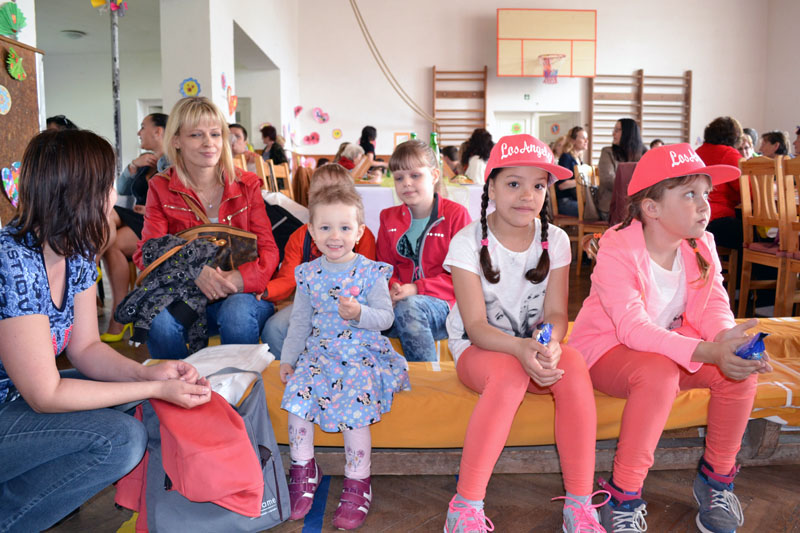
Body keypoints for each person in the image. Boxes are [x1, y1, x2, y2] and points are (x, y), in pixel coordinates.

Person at [0, 129, 211, 532]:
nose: (113, 195)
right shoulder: (12, 262)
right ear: (76, 192)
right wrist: (153, 386)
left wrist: (147, 374)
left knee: (140, 403)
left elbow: (86, 348)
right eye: (106, 184)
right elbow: (46, 396)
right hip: (15, 404)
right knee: (120, 439)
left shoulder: (75, 247)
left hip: (18, 398)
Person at [569, 143, 772, 533]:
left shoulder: (701, 244)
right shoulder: (617, 247)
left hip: (669, 348)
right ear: (652, 208)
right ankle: (623, 494)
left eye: (706, 193)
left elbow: (712, 305)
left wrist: (727, 339)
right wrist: (709, 350)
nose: (704, 205)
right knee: (659, 373)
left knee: (740, 371)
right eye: (690, 194)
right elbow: (632, 328)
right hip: (608, 351)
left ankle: (717, 480)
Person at [442, 134, 604, 533]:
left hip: (531, 346)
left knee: (573, 365)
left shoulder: (557, 240)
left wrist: (546, 346)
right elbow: (477, 328)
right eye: (514, 183)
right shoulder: (466, 242)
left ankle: (580, 503)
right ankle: (465, 504)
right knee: (510, 373)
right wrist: (521, 348)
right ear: (492, 187)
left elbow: (556, 314)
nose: (527, 195)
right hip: (479, 349)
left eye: (538, 185)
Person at [279, 185, 410, 530]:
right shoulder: (308, 274)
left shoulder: (370, 272)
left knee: (355, 406)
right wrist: (288, 359)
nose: (334, 236)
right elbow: (299, 322)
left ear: (359, 232)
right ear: (311, 231)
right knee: (296, 398)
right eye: (325, 227)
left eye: (344, 227)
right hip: (319, 354)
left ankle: (358, 480)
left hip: (360, 354)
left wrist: (359, 313)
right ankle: (303, 469)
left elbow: (386, 318)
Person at [134, 97, 279, 359]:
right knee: (157, 319)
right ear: (176, 141)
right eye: (196, 135)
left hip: (241, 295)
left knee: (236, 313)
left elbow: (268, 249)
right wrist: (193, 271)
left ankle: (240, 383)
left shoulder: (247, 184)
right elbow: (147, 252)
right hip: (186, 294)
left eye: (215, 134)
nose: (209, 143)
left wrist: (239, 279)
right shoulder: (160, 186)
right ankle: (178, 382)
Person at [261, 164, 377, 359]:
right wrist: (264, 291)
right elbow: (289, 279)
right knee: (274, 329)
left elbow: (368, 281)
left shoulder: (362, 237)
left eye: (336, 193)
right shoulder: (300, 237)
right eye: (320, 193)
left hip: (351, 305)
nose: (328, 200)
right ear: (309, 198)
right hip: (311, 304)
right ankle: (295, 372)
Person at [377, 140, 471, 361]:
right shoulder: (387, 217)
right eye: (399, 178)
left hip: (447, 306)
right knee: (356, 312)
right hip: (399, 302)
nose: (407, 183)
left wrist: (416, 288)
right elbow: (383, 268)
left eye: (415, 175)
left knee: (409, 309)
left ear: (434, 175)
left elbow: (465, 277)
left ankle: (426, 375)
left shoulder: (456, 215)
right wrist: (393, 289)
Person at [101, 113, 168, 341]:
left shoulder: (173, 161)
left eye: (143, 127)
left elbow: (178, 199)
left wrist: (152, 210)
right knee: (107, 216)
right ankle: (92, 258)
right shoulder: (144, 160)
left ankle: (89, 263)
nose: (139, 132)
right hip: (137, 219)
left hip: (158, 222)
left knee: (112, 240)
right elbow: (121, 190)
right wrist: (132, 166)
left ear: (158, 131)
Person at [695, 117, 744, 251]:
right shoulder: (728, 154)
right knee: (754, 235)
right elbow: (749, 190)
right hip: (717, 218)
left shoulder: (697, 152)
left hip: (696, 218)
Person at [597, 119, 645, 220]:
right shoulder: (607, 152)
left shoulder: (644, 153)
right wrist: (634, 189)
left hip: (637, 205)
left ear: (628, 133)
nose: (613, 133)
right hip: (611, 207)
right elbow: (607, 180)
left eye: (617, 130)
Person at [556, 126, 588, 217]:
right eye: (583, 138)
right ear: (573, 140)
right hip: (565, 201)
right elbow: (562, 185)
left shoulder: (579, 159)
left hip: (575, 200)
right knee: (592, 211)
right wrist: (583, 180)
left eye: (586, 138)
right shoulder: (566, 157)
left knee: (596, 208)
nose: (586, 141)